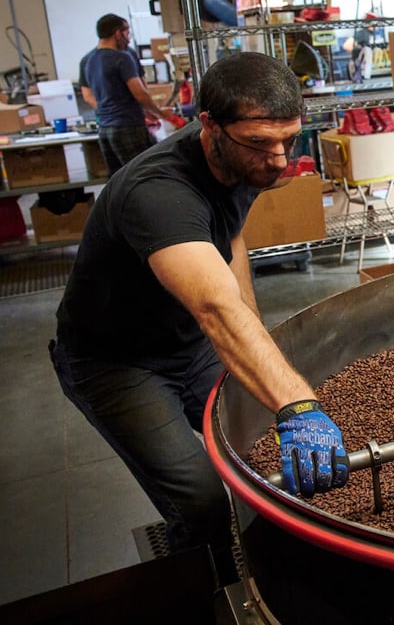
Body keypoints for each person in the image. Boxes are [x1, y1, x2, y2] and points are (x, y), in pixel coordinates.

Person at [49, 51, 349, 587]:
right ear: (208, 125)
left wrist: (257, 343)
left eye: (290, 139)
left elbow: (230, 244)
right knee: (204, 501)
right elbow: (214, 306)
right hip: (118, 363)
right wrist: (296, 404)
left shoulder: (244, 163)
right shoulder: (158, 193)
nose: (279, 160)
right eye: (260, 142)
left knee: (264, 453)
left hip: (190, 345)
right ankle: (207, 594)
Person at [79, 13, 168, 174]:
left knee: (119, 179)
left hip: (105, 129)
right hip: (128, 126)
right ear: (117, 33)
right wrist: (159, 112)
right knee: (144, 174)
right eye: (127, 33)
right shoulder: (122, 58)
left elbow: (88, 94)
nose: (128, 39)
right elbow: (140, 93)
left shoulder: (89, 60)